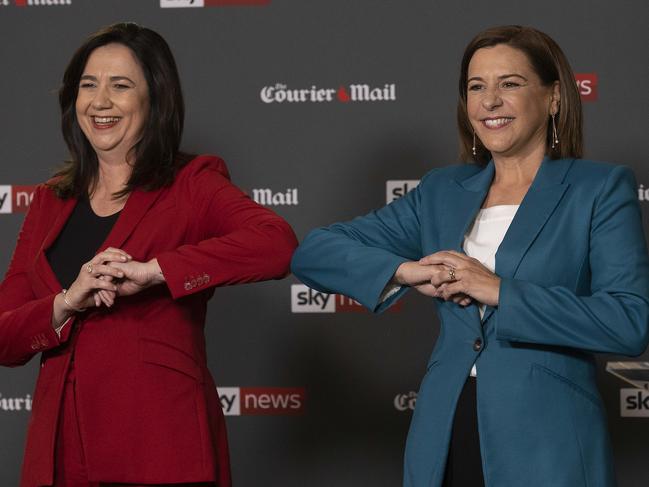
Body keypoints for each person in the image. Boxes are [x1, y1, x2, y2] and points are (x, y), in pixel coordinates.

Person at [291, 25, 649, 487]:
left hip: (548, 436)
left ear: (555, 97)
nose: (490, 101)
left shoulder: (598, 188)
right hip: (447, 430)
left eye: (510, 84)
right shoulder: (441, 191)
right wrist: (405, 272)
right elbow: (314, 252)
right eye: (476, 87)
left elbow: (627, 321)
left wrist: (499, 290)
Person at [0, 22, 297, 487]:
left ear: (155, 100)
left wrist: (156, 270)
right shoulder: (48, 201)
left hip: (158, 447)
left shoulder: (193, 183)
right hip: (59, 456)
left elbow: (276, 244)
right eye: (88, 85)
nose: (100, 101)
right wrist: (64, 302)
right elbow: (5, 333)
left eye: (120, 86)